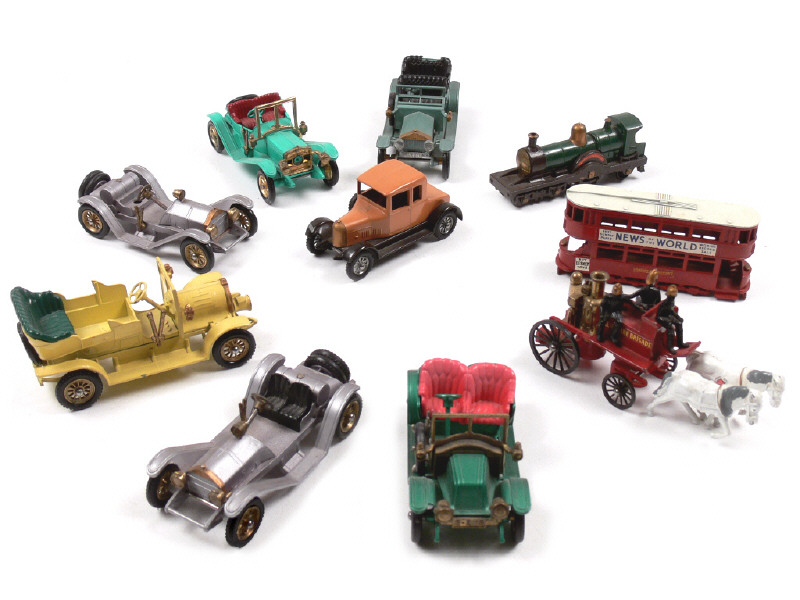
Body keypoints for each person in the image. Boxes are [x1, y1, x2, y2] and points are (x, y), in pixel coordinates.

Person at [656, 285, 688, 352]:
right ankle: (670, 347)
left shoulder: (672, 300)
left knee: (679, 323)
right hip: (661, 317)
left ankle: (680, 343)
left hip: (667, 315)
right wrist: (678, 317)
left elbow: (671, 311)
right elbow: (671, 311)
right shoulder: (668, 301)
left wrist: (678, 319)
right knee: (670, 327)